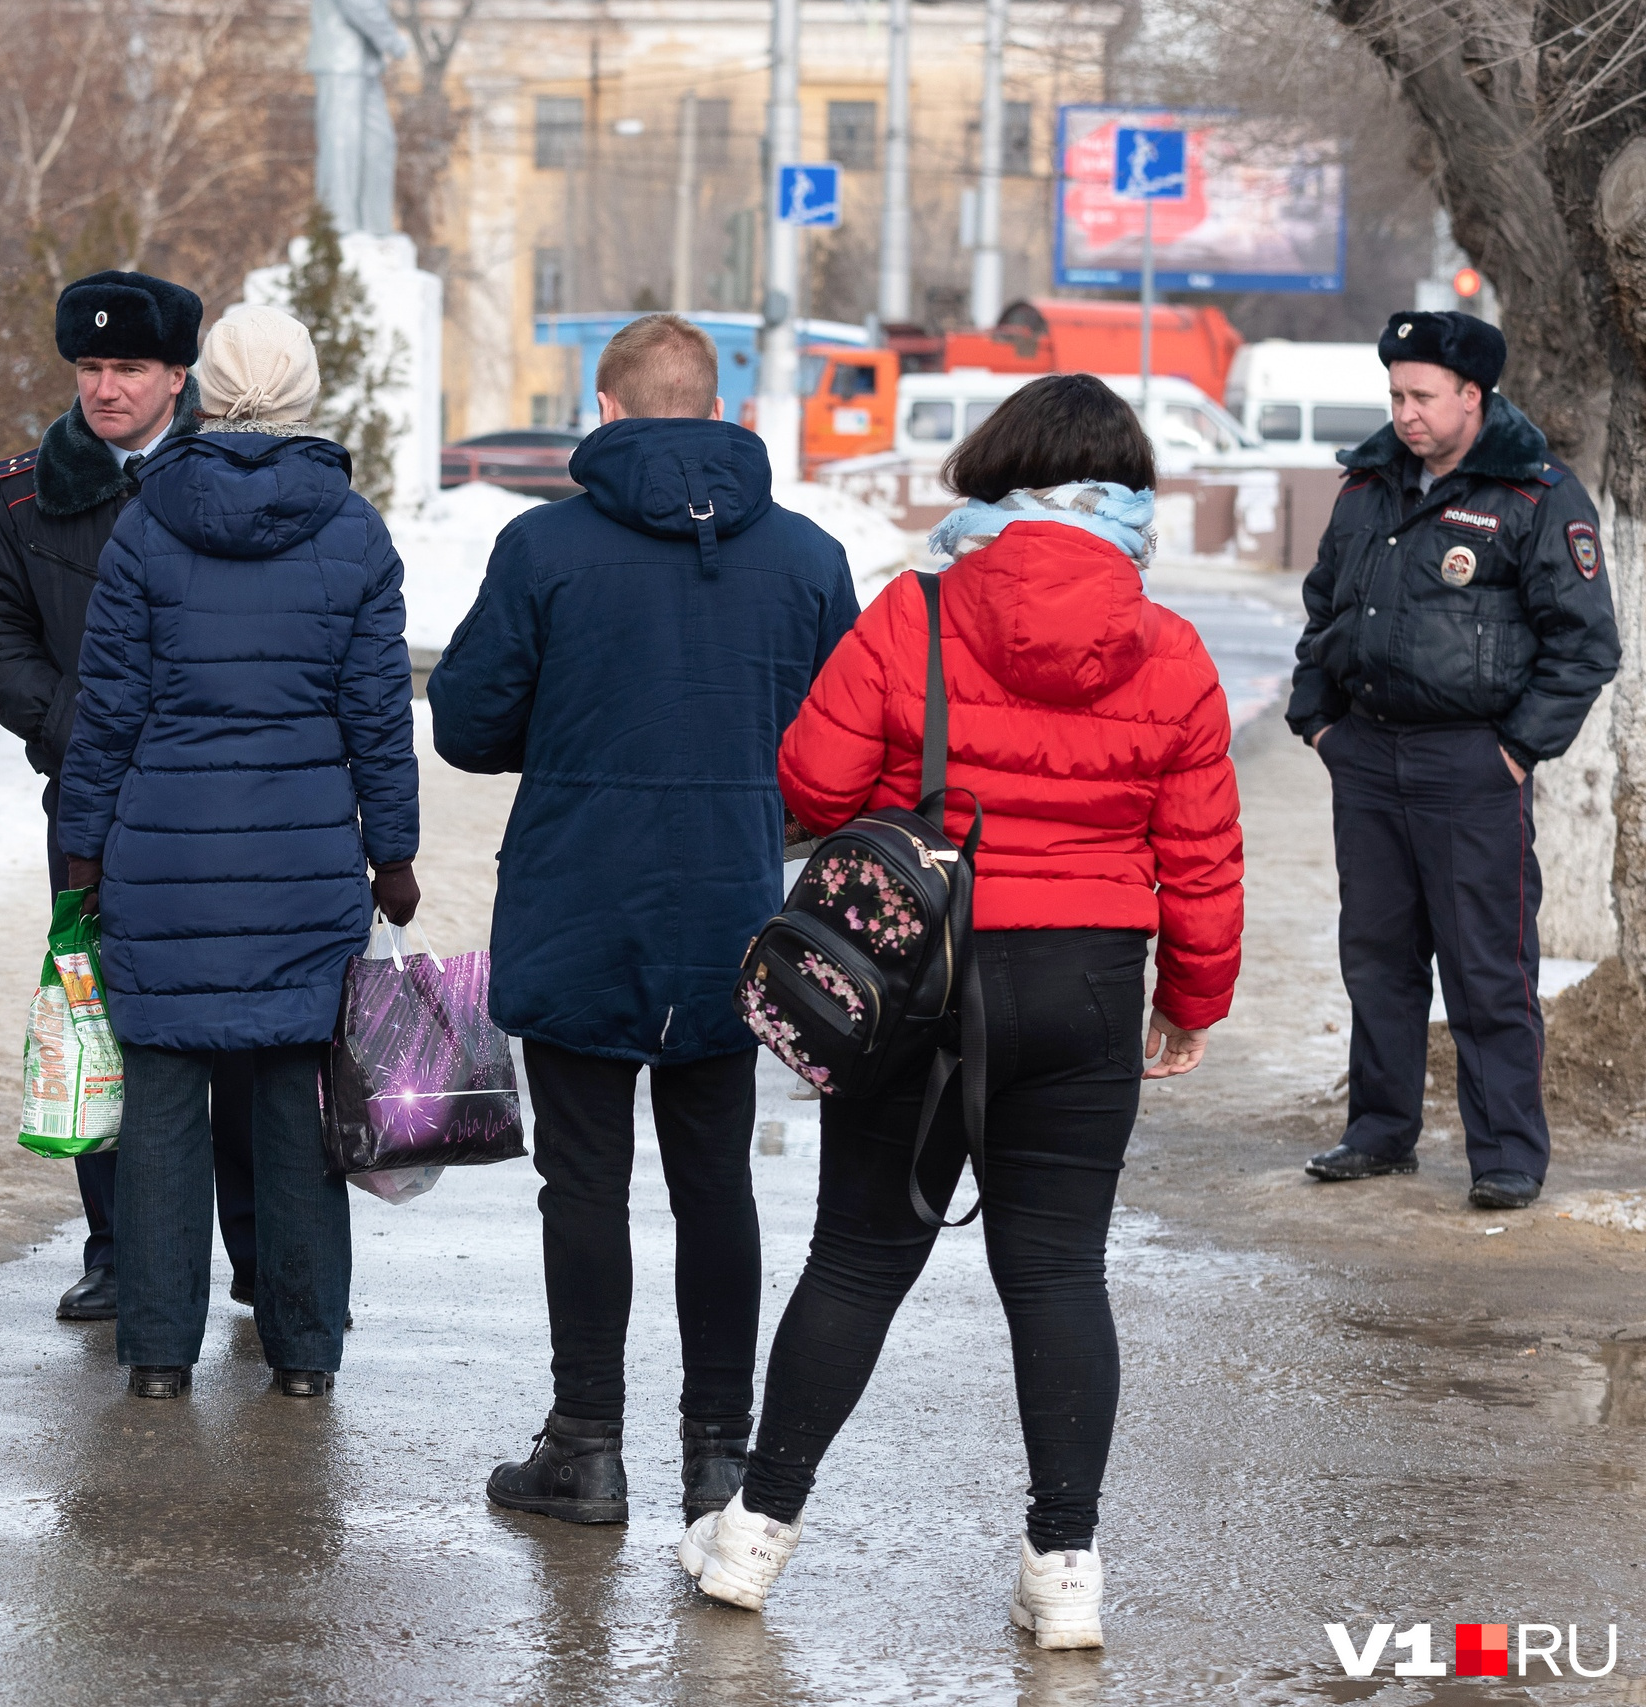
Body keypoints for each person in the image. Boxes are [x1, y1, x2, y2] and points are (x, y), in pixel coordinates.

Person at [679, 374, 1244, 1645]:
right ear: (1125, 501)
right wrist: (1192, 996)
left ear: (996, 474)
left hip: (916, 983)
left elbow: (813, 782)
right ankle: (1064, 1576)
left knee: (858, 1258)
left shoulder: (914, 614)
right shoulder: (1168, 645)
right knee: (1056, 1272)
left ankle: (754, 1541)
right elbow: (1202, 849)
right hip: (1089, 986)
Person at [429, 313, 858, 1525]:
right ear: (719, 412)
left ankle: (586, 1447)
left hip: (578, 896)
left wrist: (568, 727)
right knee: (715, 1183)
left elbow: (466, 725)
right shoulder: (806, 558)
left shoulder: (542, 548)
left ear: (603, 414)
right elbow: (840, 753)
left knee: (584, 1186)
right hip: (732, 907)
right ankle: (720, 1453)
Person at [56, 303, 419, 1401]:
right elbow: (378, 719)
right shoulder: (353, 531)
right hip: (306, 868)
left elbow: (107, 712)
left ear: (204, 390)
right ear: (307, 395)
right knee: (295, 1120)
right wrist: (392, 855)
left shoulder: (148, 522)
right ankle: (304, 1354)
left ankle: (159, 1356)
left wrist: (83, 850)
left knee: (162, 1113)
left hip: (162, 863)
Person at [0, 270, 259, 1324]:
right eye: (89, 367)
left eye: (129, 367)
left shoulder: (235, 480)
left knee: (235, 1031)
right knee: (101, 1019)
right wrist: (65, 723)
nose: (105, 388)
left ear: (180, 375)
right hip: (97, 804)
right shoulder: (30, 491)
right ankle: (119, 1253)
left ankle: (259, 1257)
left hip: (224, 804)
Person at [1287, 312, 1618, 1211]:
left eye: (1422, 396)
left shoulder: (1537, 494)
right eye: (1395, 394)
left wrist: (1514, 752)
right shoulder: (1368, 488)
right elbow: (1325, 613)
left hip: (1472, 766)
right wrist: (1319, 724)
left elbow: (1585, 647)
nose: (1405, 413)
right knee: (1378, 958)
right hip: (1368, 759)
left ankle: (1507, 1151)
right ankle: (1380, 1130)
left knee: (1487, 966)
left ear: (1474, 396)